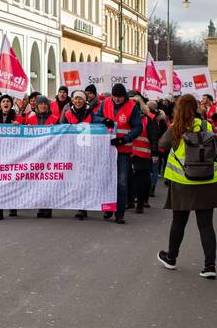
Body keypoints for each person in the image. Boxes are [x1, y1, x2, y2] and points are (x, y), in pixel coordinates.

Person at [157, 95, 217, 278]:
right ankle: (210, 266)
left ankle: (171, 258)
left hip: (183, 182)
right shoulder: (206, 125)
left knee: (179, 222)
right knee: (206, 224)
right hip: (207, 179)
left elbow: (162, 144)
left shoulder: (177, 128)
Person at [100, 83, 143, 223]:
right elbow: (95, 117)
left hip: (123, 150)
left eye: (120, 97)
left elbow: (138, 127)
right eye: (115, 97)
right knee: (106, 179)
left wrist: (125, 139)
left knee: (122, 182)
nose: (117, 99)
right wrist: (103, 120)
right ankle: (108, 208)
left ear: (124, 96)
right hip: (106, 149)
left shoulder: (132, 107)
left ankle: (120, 213)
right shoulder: (106, 103)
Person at [63, 91, 105, 219]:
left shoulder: (89, 113)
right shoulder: (67, 114)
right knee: (78, 179)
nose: (78, 101)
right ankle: (81, 207)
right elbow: (61, 128)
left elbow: (97, 120)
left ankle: (87, 204)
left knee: (87, 178)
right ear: (72, 100)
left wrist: (106, 121)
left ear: (84, 100)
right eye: (76, 99)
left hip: (88, 150)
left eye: (80, 99)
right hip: (73, 150)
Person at [0, 96, 20, 220]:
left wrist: (19, 126)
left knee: (12, 180)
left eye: (8, 101)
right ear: (0, 104)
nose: (6, 103)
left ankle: (13, 206)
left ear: (11, 104)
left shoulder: (18, 117)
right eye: (3, 101)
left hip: (14, 153)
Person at [130, 92, 158, 212]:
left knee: (142, 181)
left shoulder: (148, 120)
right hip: (129, 154)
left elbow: (154, 137)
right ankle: (130, 201)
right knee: (130, 179)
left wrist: (155, 153)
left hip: (143, 155)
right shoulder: (127, 118)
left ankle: (141, 202)